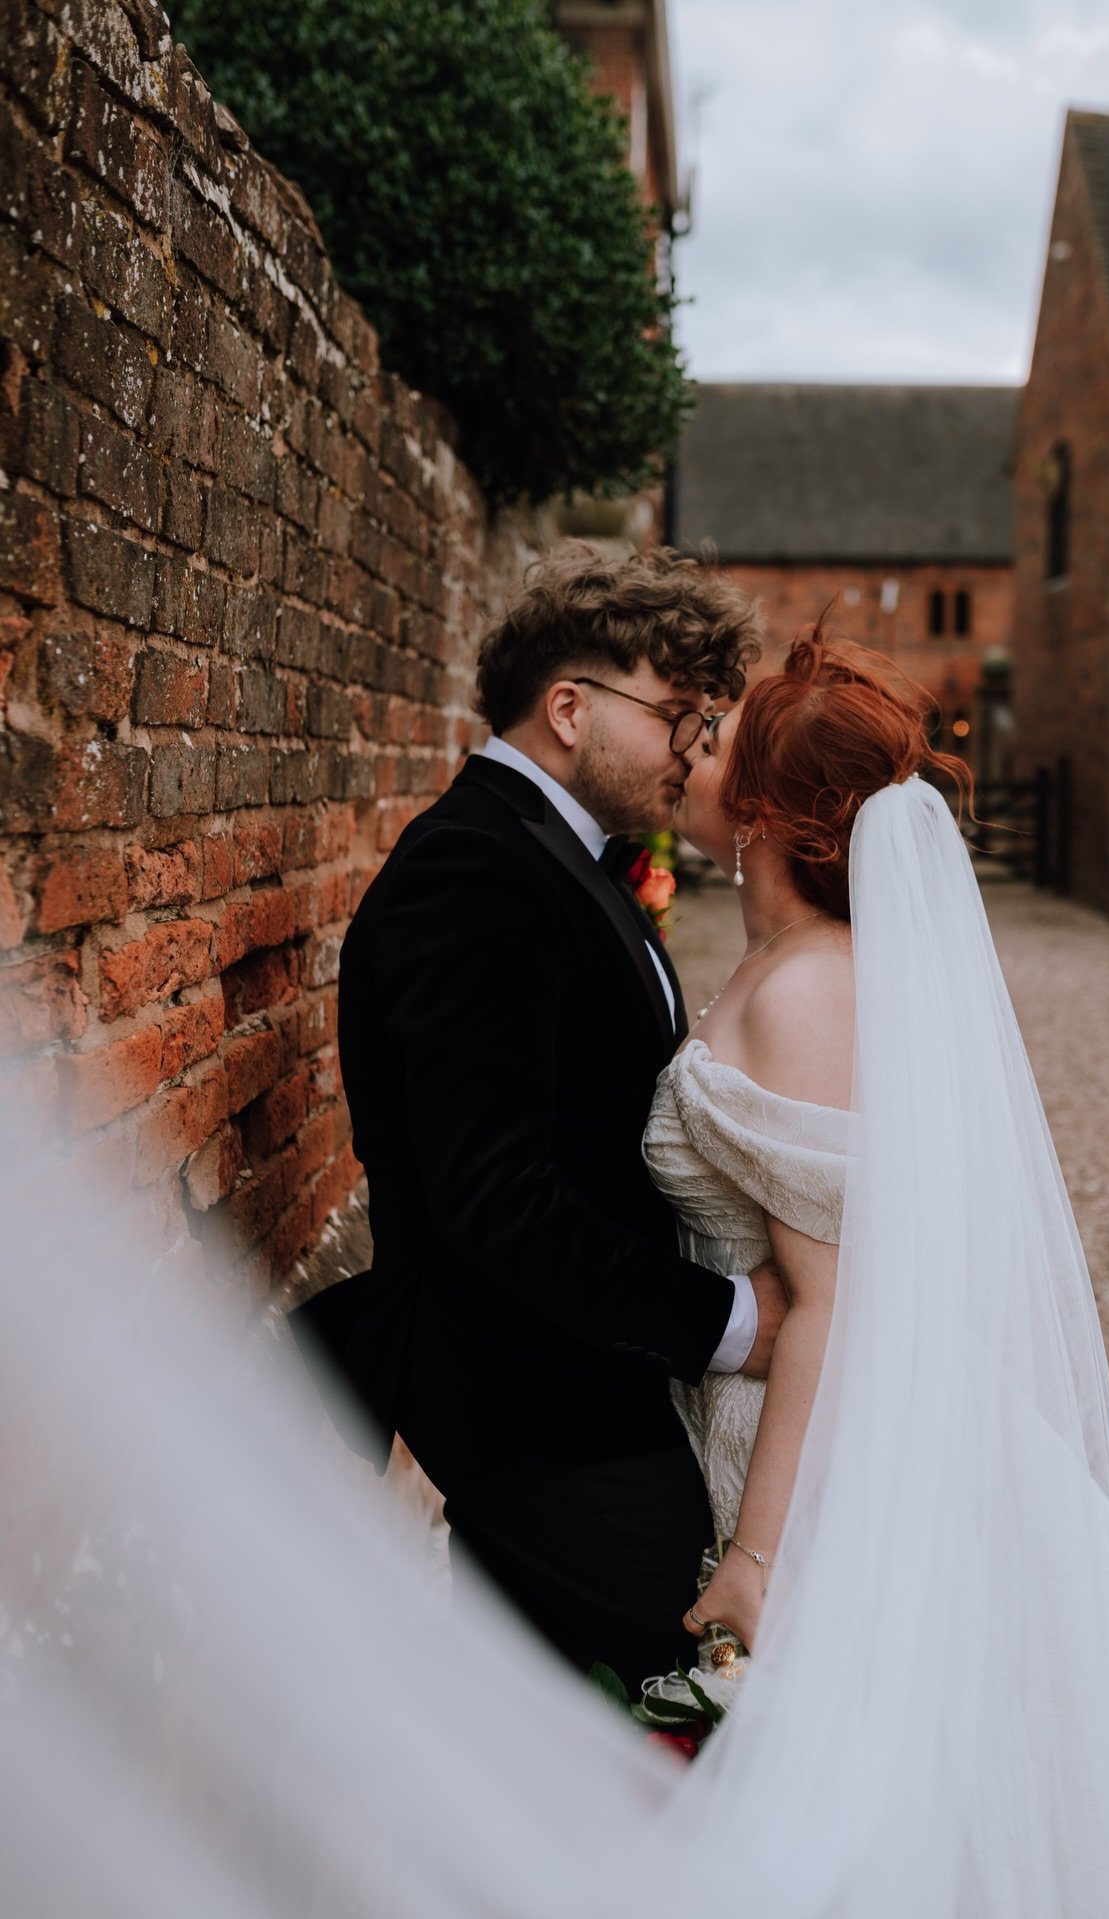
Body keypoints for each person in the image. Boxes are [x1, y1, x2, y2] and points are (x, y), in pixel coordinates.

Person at [639, 630, 1109, 1915]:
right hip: (808, 1413)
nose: (689, 748)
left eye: (716, 739)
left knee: (908, 1773)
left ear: (763, 809)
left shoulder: (804, 992)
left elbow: (838, 1297)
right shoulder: (789, 965)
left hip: (821, 1451)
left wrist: (758, 1556)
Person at [294, 543, 787, 1693]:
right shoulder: (473, 870)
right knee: (651, 1703)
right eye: (678, 713)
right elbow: (494, 1196)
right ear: (570, 707)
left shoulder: (560, 859)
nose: (693, 746)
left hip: (592, 1386)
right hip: (534, 1407)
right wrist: (727, 1319)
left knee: (542, 1728)